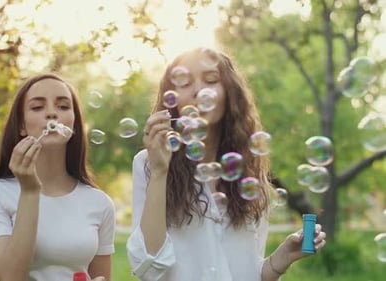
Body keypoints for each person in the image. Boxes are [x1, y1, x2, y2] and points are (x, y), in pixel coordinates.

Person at [126, 47, 326, 281]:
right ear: (173, 98)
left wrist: (278, 262)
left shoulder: (250, 170)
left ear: (230, 92)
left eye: (210, 80)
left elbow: (246, 271)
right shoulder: (148, 164)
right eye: (184, 82)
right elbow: (148, 268)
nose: (199, 91)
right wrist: (160, 172)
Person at [0, 73, 115, 281]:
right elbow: (10, 276)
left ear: (74, 124)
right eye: (37, 107)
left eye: (63, 106)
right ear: (22, 126)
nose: (51, 113)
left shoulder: (99, 202)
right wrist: (30, 190)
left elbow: (102, 278)